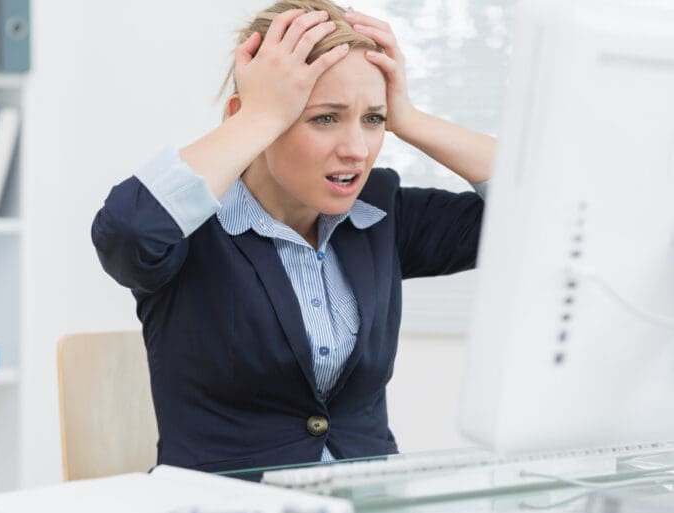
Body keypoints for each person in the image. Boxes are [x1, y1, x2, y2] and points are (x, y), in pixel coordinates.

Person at [92, 0, 494, 473]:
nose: (356, 149)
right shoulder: (189, 224)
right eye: (325, 118)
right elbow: (127, 232)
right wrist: (258, 120)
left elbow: (537, 210)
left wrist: (408, 117)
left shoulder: (381, 211)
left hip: (362, 500)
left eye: (372, 120)